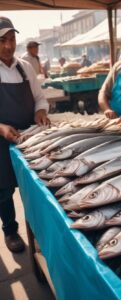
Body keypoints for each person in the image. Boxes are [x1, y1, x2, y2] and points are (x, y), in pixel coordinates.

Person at [0, 17, 49, 252]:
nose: (9, 46)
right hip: (1, 141)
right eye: (2, 40)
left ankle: (37, 230)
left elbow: (40, 97)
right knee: (3, 190)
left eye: (11, 39)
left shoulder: (25, 67)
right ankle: (10, 231)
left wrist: (40, 111)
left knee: (34, 186)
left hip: (29, 138)